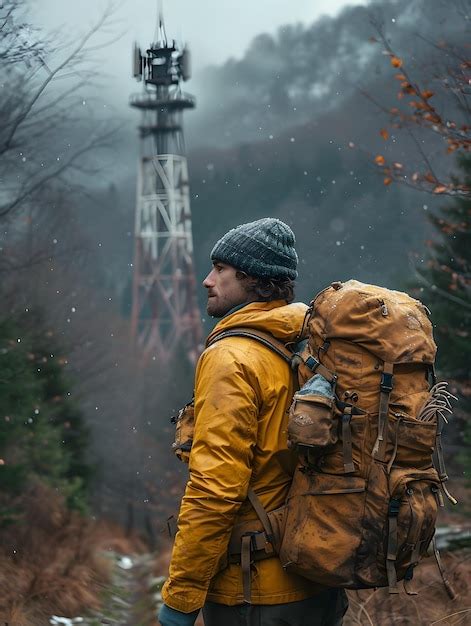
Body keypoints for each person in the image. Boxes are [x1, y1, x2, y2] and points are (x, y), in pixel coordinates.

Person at [159, 218, 348, 626]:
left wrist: (180, 600)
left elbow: (215, 488)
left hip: (253, 591)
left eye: (221, 270)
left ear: (255, 281)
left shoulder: (231, 359)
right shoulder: (303, 348)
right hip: (314, 579)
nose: (207, 281)